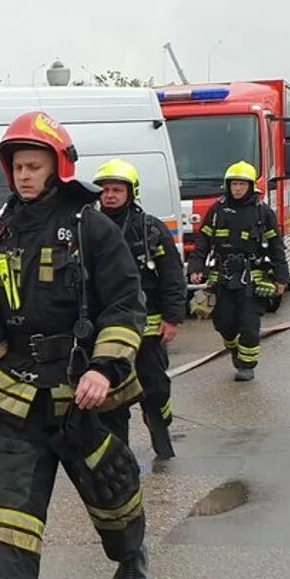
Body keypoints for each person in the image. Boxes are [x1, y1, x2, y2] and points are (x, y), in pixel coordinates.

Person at [0, 111, 149, 579]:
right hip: (17, 391)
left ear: (57, 168)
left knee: (109, 488)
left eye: (34, 165)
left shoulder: (91, 227)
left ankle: (130, 556)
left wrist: (102, 369)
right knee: (8, 503)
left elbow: (125, 304)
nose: (24, 175)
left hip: (84, 390)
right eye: (18, 166)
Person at [92, 159, 185, 460]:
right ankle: (120, 456)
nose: (109, 195)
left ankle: (160, 429)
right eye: (105, 190)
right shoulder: (88, 229)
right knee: (111, 395)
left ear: (131, 192)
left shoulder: (150, 230)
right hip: (106, 330)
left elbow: (172, 276)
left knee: (155, 388)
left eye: (117, 190)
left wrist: (172, 318)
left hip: (147, 330)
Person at [187, 161, 289, 382]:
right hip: (222, 278)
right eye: (234, 184)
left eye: (242, 184)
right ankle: (234, 347)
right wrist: (196, 267)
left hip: (252, 279)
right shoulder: (217, 211)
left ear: (251, 186)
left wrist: (281, 277)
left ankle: (247, 364)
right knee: (223, 323)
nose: (238, 188)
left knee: (249, 324)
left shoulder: (263, 213)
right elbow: (203, 241)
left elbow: (277, 247)